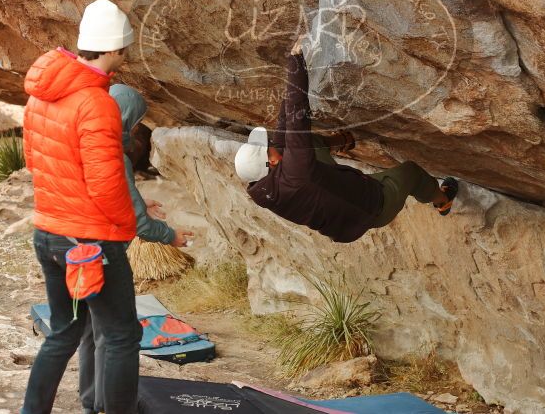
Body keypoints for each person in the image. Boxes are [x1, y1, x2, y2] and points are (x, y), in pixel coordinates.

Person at [21, 0, 140, 414]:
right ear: (113, 50)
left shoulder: (41, 97)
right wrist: (128, 228)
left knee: (63, 333)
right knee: (123, 334)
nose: (124, 58)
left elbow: (34, 163)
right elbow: (106, 184)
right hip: (91, 240)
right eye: (124, 50)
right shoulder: (96, 103)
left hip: (49, 233)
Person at [234, 38, 459, 243]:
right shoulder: (295, 173)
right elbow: (297, 119)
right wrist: (296, 63)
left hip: (336, 202)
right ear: (271, 163)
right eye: (267, 149)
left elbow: (284, 125)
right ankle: (442, 199)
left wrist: (292, 73)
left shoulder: (265, 187)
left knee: (306, 144)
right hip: (372, 208)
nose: (271, 145)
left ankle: (342, 143)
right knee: (411, 172)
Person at [78, 84, 194, 414]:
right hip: (106, 253)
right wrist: (170, 235)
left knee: (91, 329)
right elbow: (138, 224)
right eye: (134, 121)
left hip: (76, 250)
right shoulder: (115, 155)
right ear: (125, 117)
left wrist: (139, 200)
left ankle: (92, 403)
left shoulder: (85, 145)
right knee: (122, 336)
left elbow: (106, 196)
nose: (134, 129)